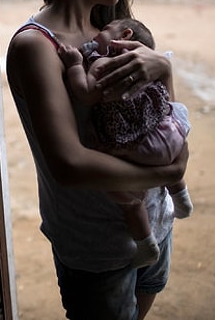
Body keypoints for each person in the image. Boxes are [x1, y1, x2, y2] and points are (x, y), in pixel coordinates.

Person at [6, 0, 189, 320]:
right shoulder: (37, 46)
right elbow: (68, 164)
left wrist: (164, 70)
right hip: (97, 249)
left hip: (154, 224)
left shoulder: (111, 31)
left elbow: (159, 115)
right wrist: (165, 173)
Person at [58, 17, 193, 269]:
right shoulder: (146, 62)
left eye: (105, 30)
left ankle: (145, 244)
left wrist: (75, 64)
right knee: (167, 153)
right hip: (167, 135)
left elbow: (86, 94)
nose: (96, 36)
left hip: (135, 148)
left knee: (126, 197)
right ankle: (182, 197)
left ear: (125, 35)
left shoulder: (103, 63)